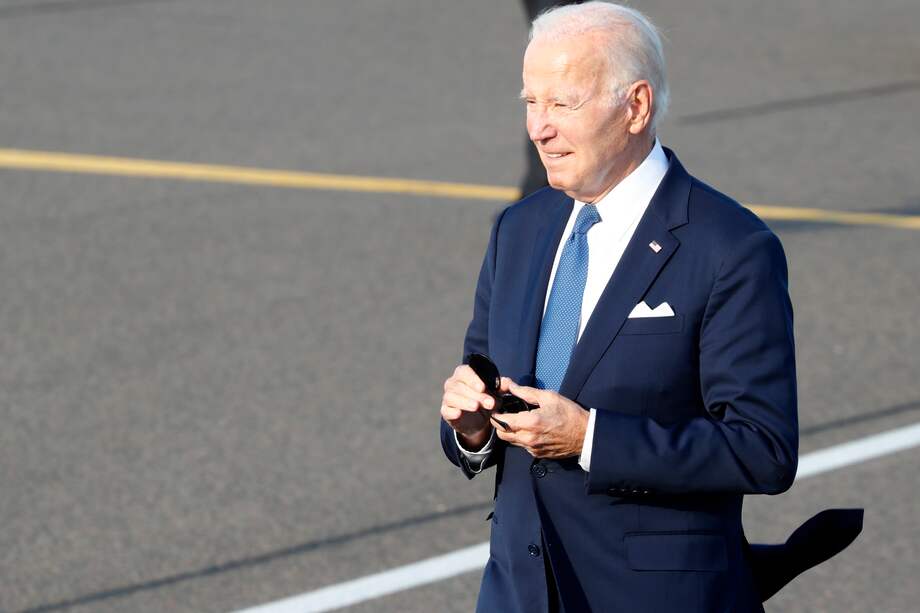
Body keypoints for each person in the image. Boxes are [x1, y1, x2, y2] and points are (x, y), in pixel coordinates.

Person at [440, 3, 860, 612]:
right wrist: (470, 429)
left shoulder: (730, 248)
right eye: (530, 101)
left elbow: (762, 450)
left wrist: (590, 438)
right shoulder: (519, 228)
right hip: (519, 593)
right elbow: (482, 382)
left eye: (563, 104)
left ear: (635, 106)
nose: (538, 128)